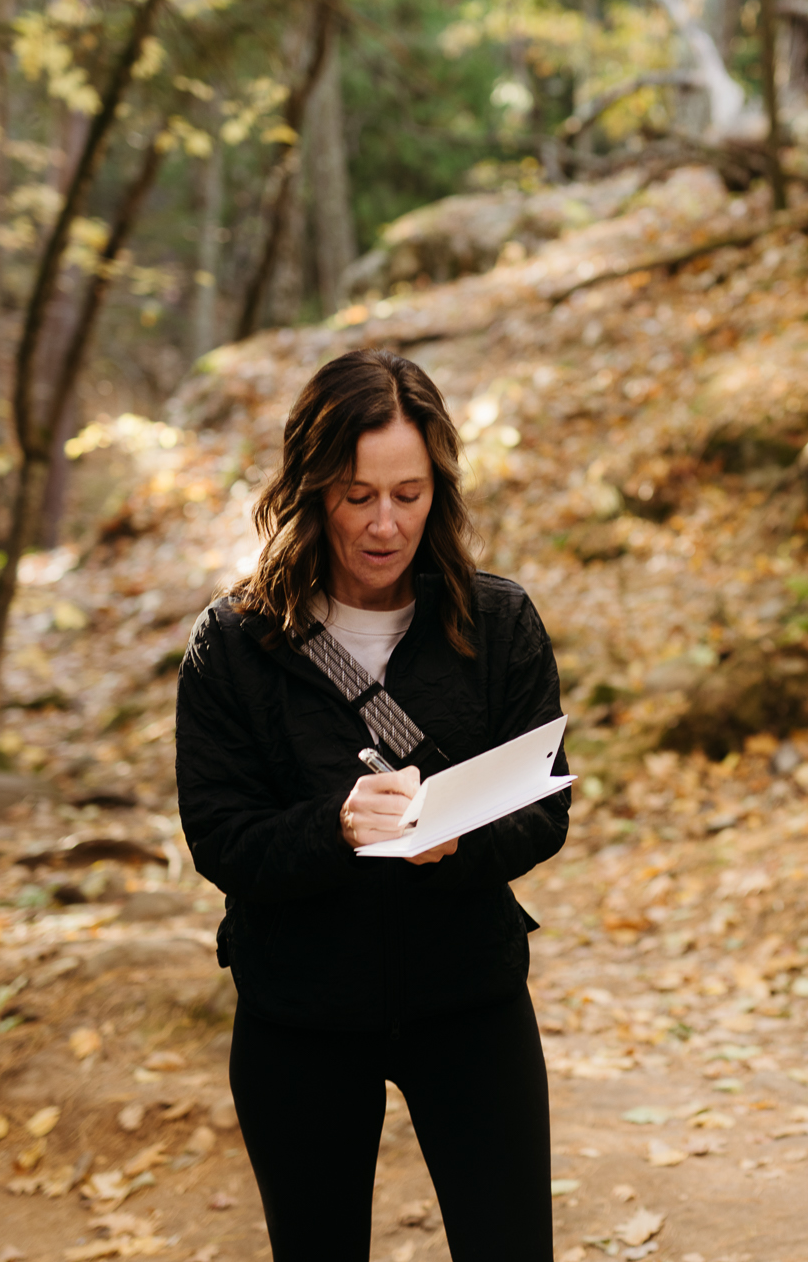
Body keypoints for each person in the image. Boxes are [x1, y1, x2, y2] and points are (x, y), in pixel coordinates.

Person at [176, 348, 569, 1261]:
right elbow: (220, 836)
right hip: (300, 1013)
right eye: (358, 496)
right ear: (310, 488)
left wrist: (455, 844)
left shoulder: (497, 623)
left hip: (467, 997)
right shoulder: (236, 644)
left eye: (410, 492)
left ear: (440, 490)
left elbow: (542, 808)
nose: (386, 523)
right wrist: (336, 827)